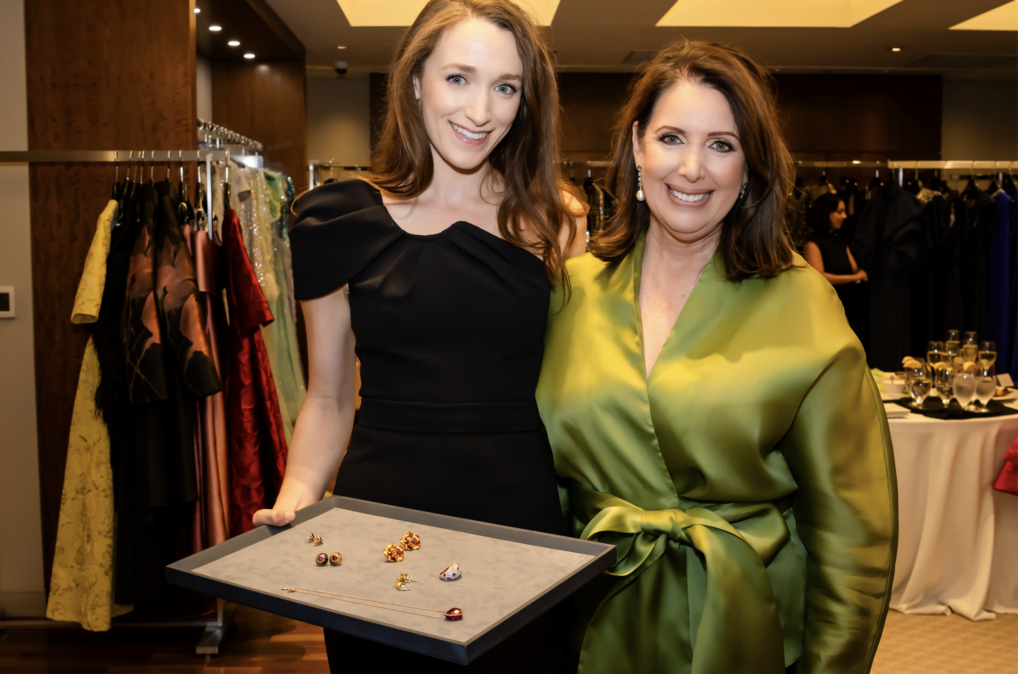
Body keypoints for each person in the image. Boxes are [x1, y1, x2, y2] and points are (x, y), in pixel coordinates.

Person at [536, 40, 897, 674]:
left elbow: (852, 533)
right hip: (590, 624)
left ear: (751, 168)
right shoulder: (573, 291)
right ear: (638, 149)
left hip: (747, 629)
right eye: (672, 138)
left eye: (722, 145)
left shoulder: (801, 302)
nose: (693, 168)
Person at [252, 1, 585, 672]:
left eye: (506, 87)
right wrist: (296, 497)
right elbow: (327, 398)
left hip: (520, 519)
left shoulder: (556, 223)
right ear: (414, 83)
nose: (481, 109)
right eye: (458, 78)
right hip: (382, 524)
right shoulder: (335, 222)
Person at [804, 193, 870, 345]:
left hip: (849, 303)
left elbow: (854, 268)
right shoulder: (812, 244)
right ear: (826, 213)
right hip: (828, 306)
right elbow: (819, 277)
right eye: (839, 212)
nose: (845, 216)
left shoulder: (839, 241)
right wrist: (855, 278)